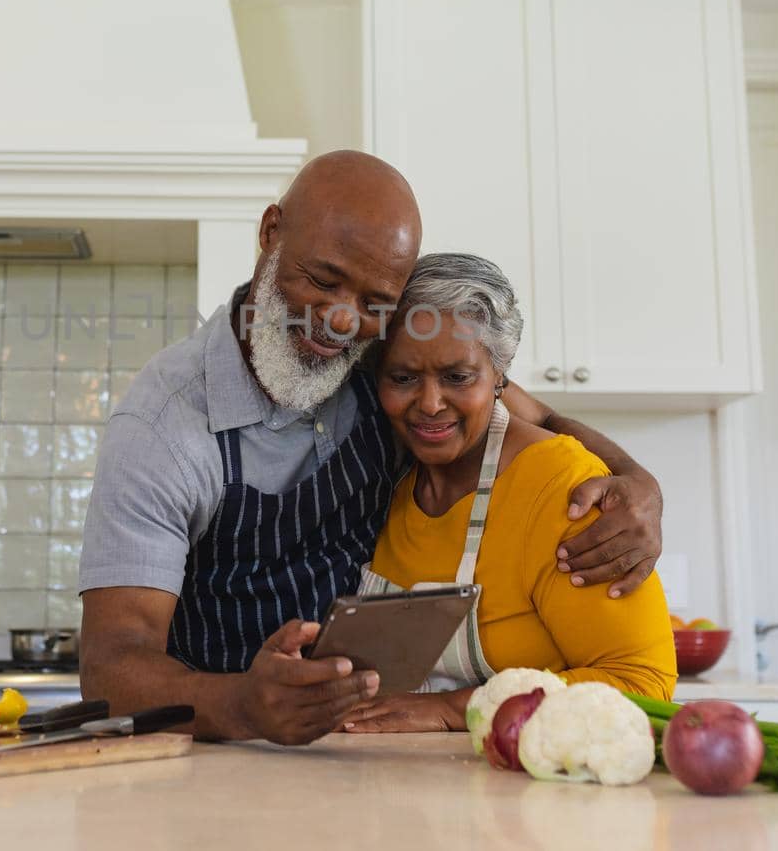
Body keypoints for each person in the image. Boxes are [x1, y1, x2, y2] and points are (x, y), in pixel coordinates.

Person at [79, 151, 667, 745]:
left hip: (360, 757)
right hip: (217, 758)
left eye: (373, 302)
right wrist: (241, 704)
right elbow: (110, 670)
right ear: (271, 233)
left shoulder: (382, 357)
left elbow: (524, 409)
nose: (339, 319)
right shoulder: (162, 428)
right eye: (322, 280)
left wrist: (634, 478)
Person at [342, 253, 677, 734]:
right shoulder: (386, 467)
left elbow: (642, 685)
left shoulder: (561, 483)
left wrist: (456, 708)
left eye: (458, 377)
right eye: (403, 378)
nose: (430, 404)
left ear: (501, 376)